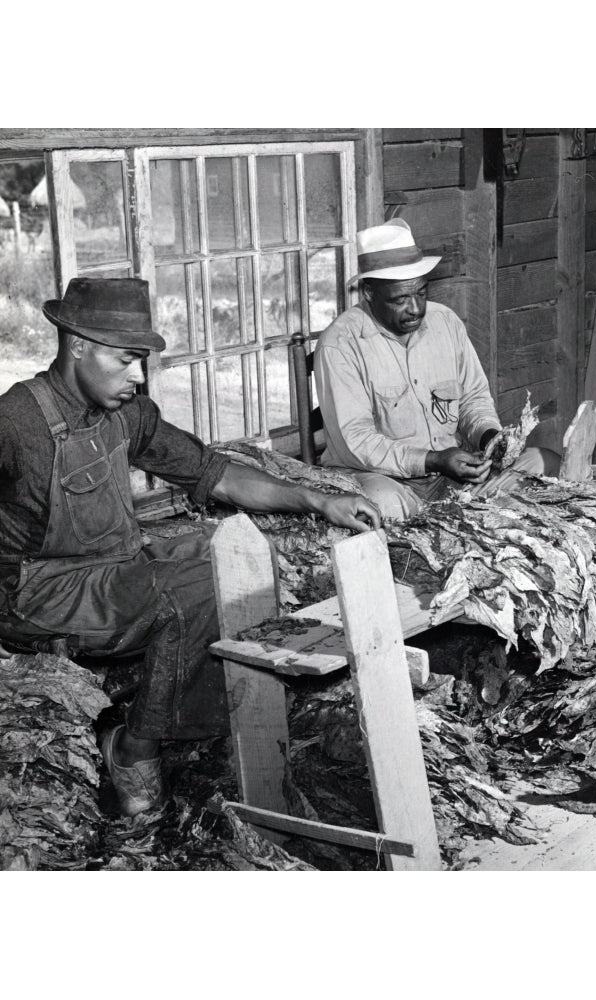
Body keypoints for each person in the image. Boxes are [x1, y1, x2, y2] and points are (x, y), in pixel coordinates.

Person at [0, 277, 381, 817]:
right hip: (43, 595)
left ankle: (219, 716)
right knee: (203, 585)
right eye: (125, 359)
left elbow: (212, 473)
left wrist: (318, 500)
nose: (137, 376)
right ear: (76, 344)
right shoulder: (16, 420)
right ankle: (133, 749)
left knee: (230, 553)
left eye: (142, 361)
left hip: (116, 569)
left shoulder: (126, 411)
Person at [313, 218, 560, 521]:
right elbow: (358, 443)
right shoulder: (340, 345)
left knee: (544, 463)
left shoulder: (446, 323)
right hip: (380, 479)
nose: (416, 308)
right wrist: (432, 460)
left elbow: (473, 398)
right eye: (401, 299)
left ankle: (468, 523)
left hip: (450, 479)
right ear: (368, 292)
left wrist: (489, 438)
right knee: (381, 504)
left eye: (421, 292)